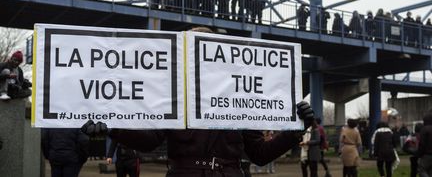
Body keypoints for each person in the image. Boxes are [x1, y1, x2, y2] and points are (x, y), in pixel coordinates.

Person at [81, 101, 314, 177]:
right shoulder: (175, 101)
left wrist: (295, 130)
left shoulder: (240, 101)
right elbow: (150, 139)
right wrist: (112, 128)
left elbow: (260, 155)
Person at [418, 110, 432, 177]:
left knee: (421, 170)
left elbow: (422, 143)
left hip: (427, 154)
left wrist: (420, 154)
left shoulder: (424, 129)